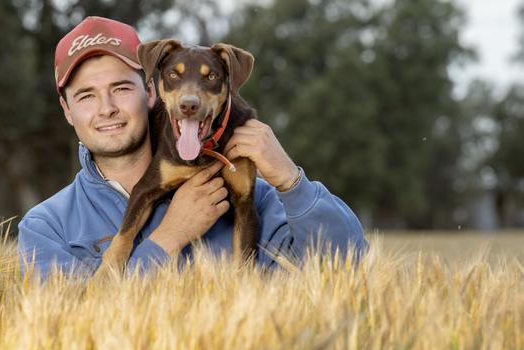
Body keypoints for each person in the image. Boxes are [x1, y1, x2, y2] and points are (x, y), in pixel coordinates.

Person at [18, 16, 367, 278]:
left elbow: (348, 267)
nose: (107, 107)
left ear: (151, 93)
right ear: (66, 110)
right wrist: (168, 238)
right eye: (86, 95)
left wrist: (292, 182)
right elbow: (69, 324)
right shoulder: (47, 227)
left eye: (122, 88)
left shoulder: (245, 189)